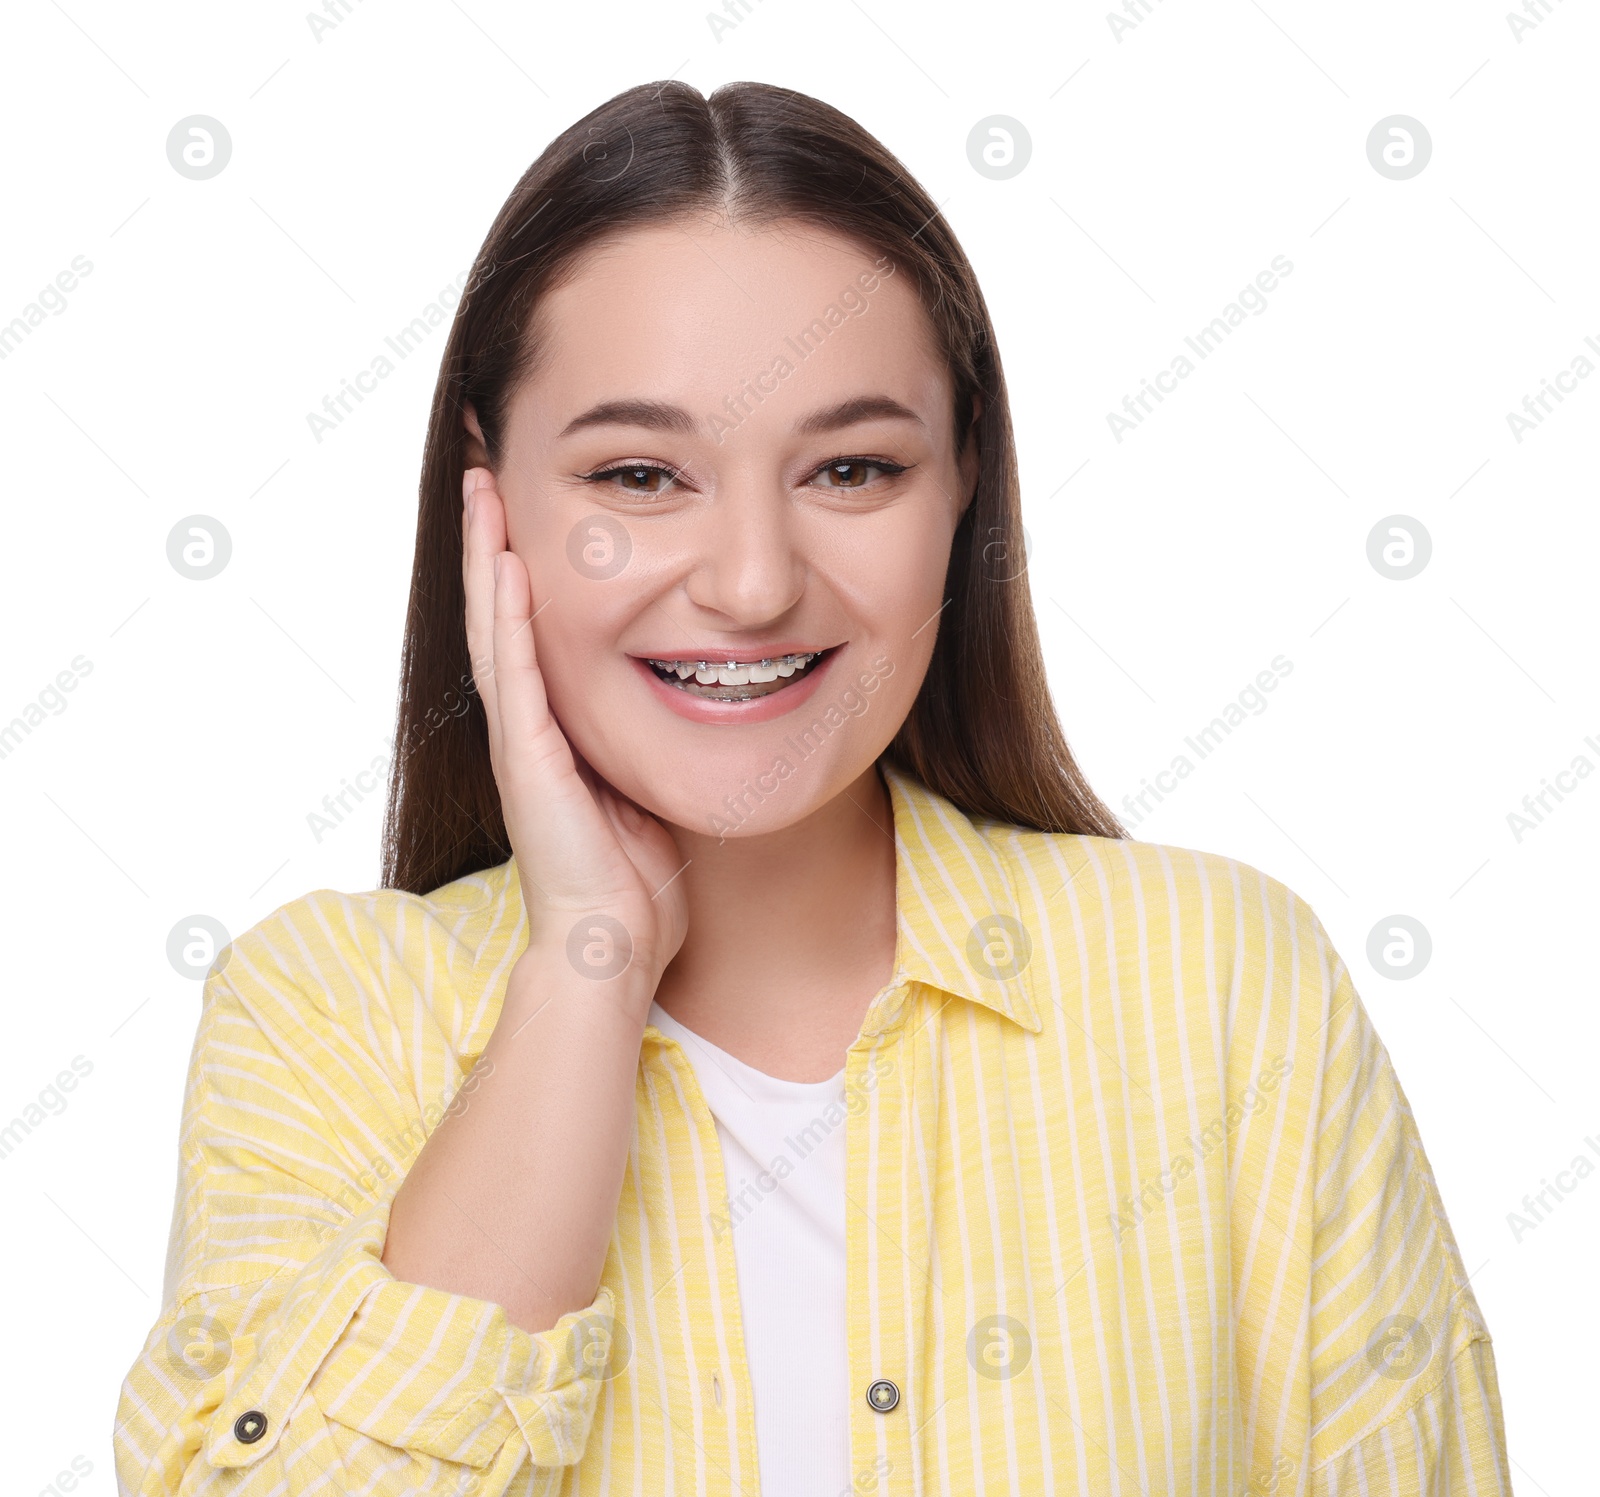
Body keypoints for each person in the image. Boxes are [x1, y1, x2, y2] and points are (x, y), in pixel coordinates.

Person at [113, 79, 1512, 1495]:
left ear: (963, 483)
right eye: (641, 475)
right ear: (492, 500)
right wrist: (586, 966)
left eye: (851, 467)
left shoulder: (1225, 985)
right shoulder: (320, 1015)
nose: (753, 581)